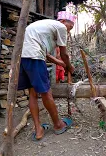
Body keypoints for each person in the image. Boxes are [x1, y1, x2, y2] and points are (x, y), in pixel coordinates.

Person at [17, 11, 76, 141]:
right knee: (46, 93)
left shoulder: (42, 26)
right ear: (63, 22)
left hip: (23, 58)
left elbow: (47, 55)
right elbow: (64, 54)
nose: (69, 30)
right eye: (70, 27)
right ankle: (58, 125)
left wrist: (61, 63)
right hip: (35, 58)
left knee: (32, 93)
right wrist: (69, 66)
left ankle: (38, 129)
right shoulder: (60, 27)